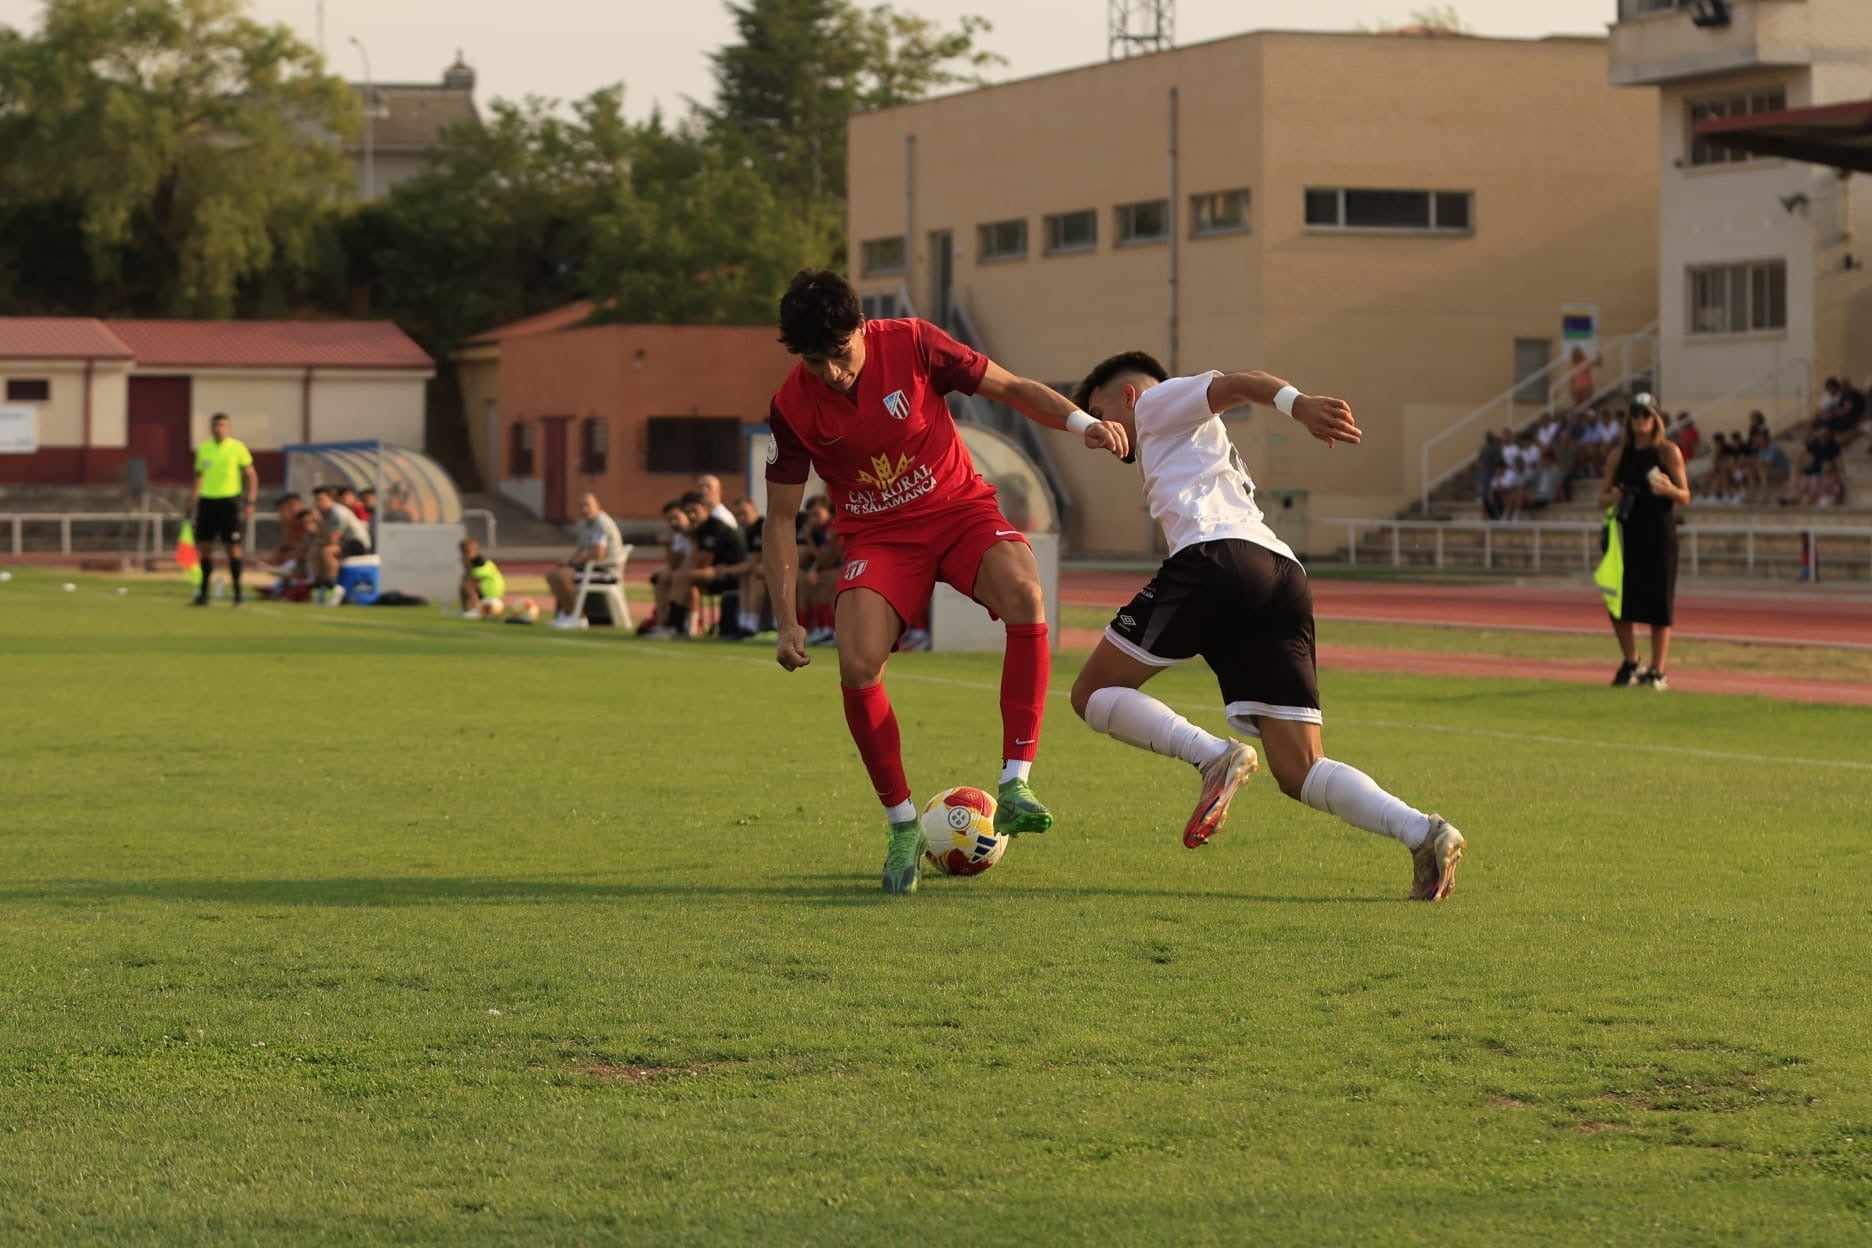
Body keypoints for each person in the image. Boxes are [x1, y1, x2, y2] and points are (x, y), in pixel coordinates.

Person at [761, 268, 1129, 894]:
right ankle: (903, 825)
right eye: (815, 360)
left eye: (840, 354)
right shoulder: (793, 406)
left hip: (959, 511)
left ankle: (1016, 781)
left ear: (862, 328)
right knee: (856, 665)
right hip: (879, 538)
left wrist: (1081, 424)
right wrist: (788, 618)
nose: (831, 371)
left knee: (1025, 592)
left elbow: (1011, 388)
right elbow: (779, 518)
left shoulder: (914, 343)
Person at [1066, 350, 1467, 901]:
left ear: (1128, 396)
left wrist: (1296, 404)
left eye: (1097, 409)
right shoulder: (1187, 439)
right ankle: (1423, 832)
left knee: (1091, 692)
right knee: (1299, 768)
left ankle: (1214, 757)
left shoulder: (1157, 402)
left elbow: (1239, 383)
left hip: (1216, 559)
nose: (1097, 425)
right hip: (1280, 575)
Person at [1597, 394, 1691, 690]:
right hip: (1627, 535)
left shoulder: (1667, 452)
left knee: (1659, 603)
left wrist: (1670, 490)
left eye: (1646, 415)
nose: (1640, 421)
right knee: (1619, 602)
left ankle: (1658, 670)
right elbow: (1600, 497)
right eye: (1635, 415)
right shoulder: (1619, 455)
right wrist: (1613, 497)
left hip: (1659, 533)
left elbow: (1686, 496)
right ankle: (1631, 660)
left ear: (1656, 419)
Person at [654, 490, 749, 638]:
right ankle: (666, 624)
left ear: (705, 508)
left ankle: (675, 625)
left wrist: (680, 573)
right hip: (713, 572)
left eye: (694, 511)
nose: (691, 515)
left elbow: (702, 561)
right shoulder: (699, 529)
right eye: (688, 512)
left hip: (731, 574)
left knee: (684, 576)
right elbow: (682, 563)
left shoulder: (714, 527)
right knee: (668, 577)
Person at [188, 412, 258, 606]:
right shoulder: (204, 449)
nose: (219, 429)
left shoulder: (238, 448)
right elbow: (199, 477)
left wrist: (250, 501)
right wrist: (192, 502)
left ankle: (237, 593)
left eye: (223, 426)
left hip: (229, 502)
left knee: (232, 547)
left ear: (229, 428)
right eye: (216, 426)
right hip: (207, 501)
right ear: (211, 428)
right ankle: (203, 594)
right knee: (205, 547)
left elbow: (251, 475)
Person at [544, 493, 625, 630]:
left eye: (588, 505)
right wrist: (569, 562)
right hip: (589, 568)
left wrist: (575, 563)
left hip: (605, 570)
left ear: (597, 506)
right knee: (552, 574)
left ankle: (579, 617)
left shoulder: (601, 523)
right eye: (581, 506)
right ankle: (568, 613)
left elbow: (598, 554)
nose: (584, 509)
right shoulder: (585, 524)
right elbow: (581, 550)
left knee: (563, 576)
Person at [309, 486, 372, 605]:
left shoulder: (338, 512)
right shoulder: (324, 515)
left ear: (330, 499)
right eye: (316, 500)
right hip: (343, 543)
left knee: (327, 552)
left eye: (321, 499)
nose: (318, 503)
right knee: (315, 552)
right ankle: (319, 587)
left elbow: (332, 539)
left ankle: (333, 588)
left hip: (358, 543)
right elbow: (320, 537)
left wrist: (319, 527)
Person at [646, 499, 693, 633]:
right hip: (682, 572)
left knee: (677, 577)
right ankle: (662, 623)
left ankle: (680, 624)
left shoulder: (693, 533)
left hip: (693, 573)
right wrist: (668, 546)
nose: (673, 523)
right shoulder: (677, 536)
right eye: (669, 520)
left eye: (676, 518)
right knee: (659, 579)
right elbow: (674, 564)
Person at [458, 537, 506, 617]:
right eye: (463, 552)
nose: (464, 555)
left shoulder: (480, 562)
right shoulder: (473, 562)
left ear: (475, 551)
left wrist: (467, 566)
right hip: (486, 591)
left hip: (492, 592)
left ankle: (476, 610)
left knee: (468, 584)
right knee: (463, 585)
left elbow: (476, 581)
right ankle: (465, 610)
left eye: (466, 552)